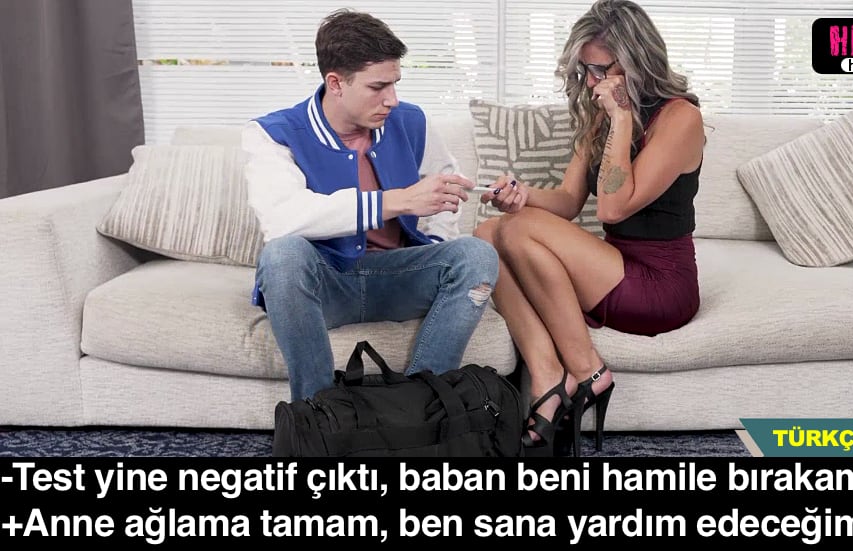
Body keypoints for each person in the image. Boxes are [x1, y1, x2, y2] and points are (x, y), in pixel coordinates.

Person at [473, 0, 703, 457]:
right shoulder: (600, 114)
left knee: (517, 231)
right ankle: (547, 375)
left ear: (636, 59)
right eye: (587, 71)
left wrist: (621, 117)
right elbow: (568, 202)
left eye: (601, 69)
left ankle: (588, 371)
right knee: (486, 237)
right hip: (614, 265)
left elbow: (613, 209)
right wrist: (520, 193)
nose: (593, 82)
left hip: (660, 282)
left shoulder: (680, 118)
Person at [244, 9, 499, 402]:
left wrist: (434, 245)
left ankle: (421, 405)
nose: (391, 100)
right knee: (282, 256)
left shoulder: (411, 121)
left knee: (476, 255)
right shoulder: (273, 133)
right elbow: (281, 219)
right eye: (378, 87)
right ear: (336, 83)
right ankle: (318, 413)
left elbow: (445, 190)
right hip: (327, 284)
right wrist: (395, 201)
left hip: (400, 276)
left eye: (394, 84)